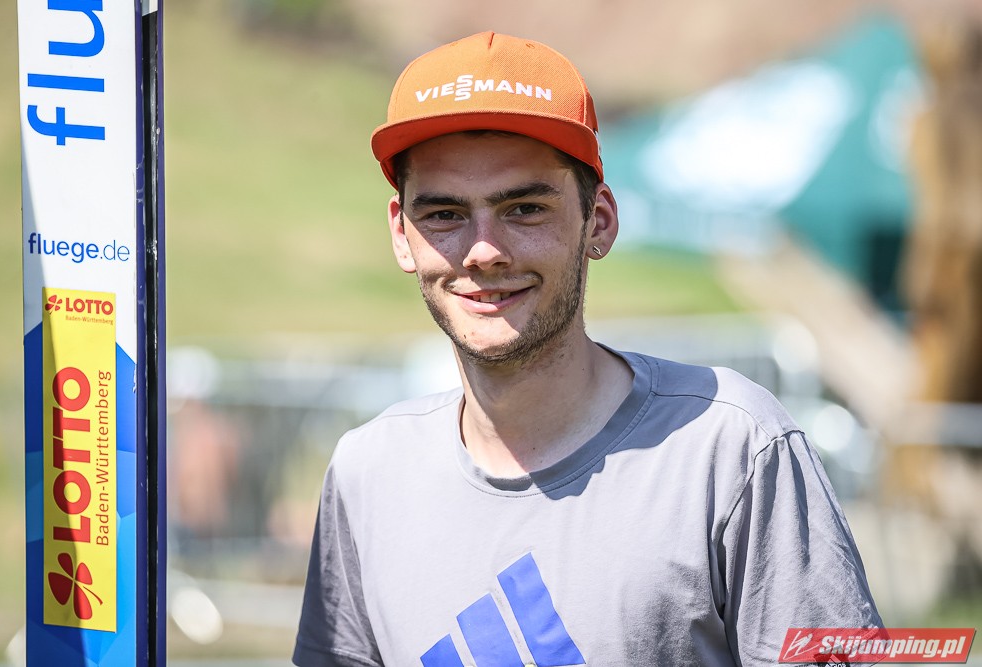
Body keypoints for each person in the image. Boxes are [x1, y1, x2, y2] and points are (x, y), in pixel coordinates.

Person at [294, 31, 881, 666]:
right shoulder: (369, 474)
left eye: (524, 208)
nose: (483, 251)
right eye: (443, 214)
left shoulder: (727, 448)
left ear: (597, 221)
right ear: (401, 234)